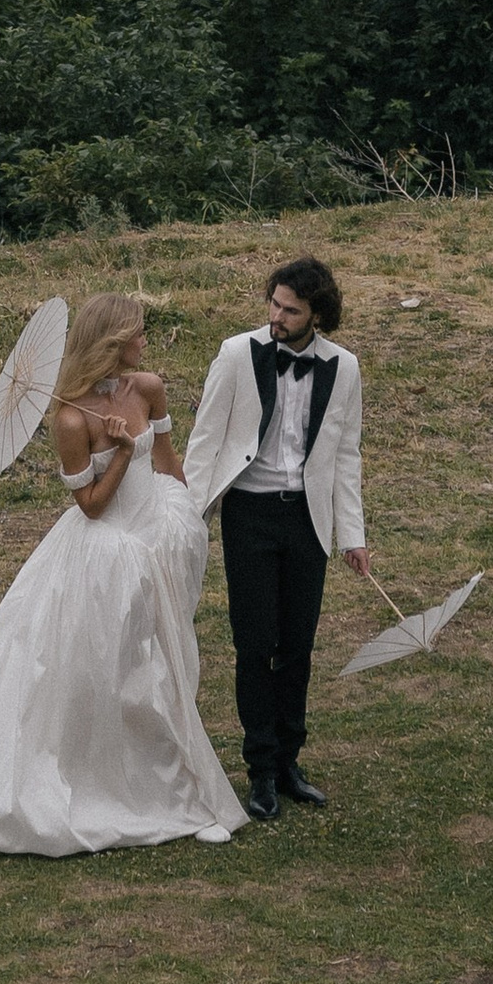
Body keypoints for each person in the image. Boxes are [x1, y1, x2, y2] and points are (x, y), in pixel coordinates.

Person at [0, 290, 245, 858]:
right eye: (137, 333)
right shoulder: (69, 418)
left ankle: (178, 790)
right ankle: (103, 783)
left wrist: (190, 518)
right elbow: (90, 505)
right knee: (110, 673)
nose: (144, 341)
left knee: (162, 666)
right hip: (104, 554)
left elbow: (166, 460)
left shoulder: (150, 388)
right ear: (113, 343)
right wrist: (119, 449)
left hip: (156, 540)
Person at [183, 256, 368, 822]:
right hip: (250, 514)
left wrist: (353, 535)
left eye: (291, 309)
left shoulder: (345, 368)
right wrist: (188, 518)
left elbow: (345, 455)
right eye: (274, 304)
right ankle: (259, 769)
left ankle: (290, 761)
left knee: (298, 646)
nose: (277, 317)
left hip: (306, 520)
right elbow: (205, 439)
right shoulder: (238, 353)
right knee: (254, 643)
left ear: (318, 314)